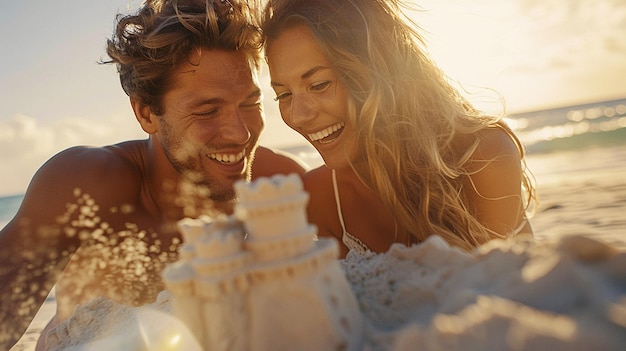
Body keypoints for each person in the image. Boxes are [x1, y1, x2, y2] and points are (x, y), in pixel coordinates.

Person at [0, 0, 306, 349]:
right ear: (146, 113)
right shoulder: (86, 188)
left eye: (251, 104)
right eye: (207, 111)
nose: (240, 133)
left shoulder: (280, 185)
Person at [262, 0, 536, 258]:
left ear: (380, 70)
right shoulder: (319, 198)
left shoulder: (480, 157)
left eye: (319, 84)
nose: (298, 116)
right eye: (284, 95)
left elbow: (504, 297)